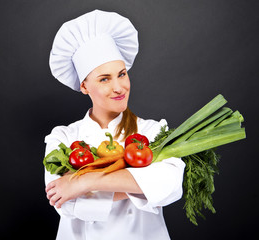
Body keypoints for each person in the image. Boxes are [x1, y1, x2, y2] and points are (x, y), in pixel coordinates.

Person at [44, 10, 185, 240]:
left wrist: (85, 181)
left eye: (122, 74)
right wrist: (138, 185)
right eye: (104, 79)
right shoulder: (62, 138)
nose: (119, 87)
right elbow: (64, 200)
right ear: (84, 86)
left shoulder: (152, 131)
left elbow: (169, 184)